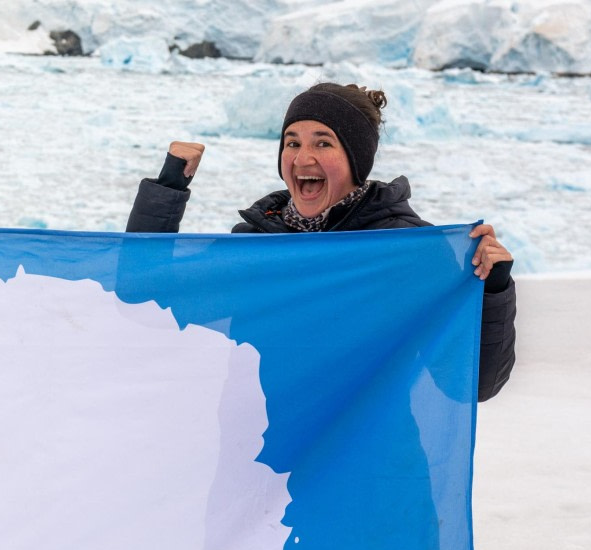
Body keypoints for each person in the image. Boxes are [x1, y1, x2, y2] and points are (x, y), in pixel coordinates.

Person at [126, 82, 516, 402]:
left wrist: (493, 288)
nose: (302, 157)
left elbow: (471, 385)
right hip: (261, 461)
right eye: (292, 143)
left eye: (323, 143)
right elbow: (144, 298)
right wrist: (169, 186)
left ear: (356, 159)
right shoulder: (258, 243)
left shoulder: (402, 250)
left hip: (367, 468)